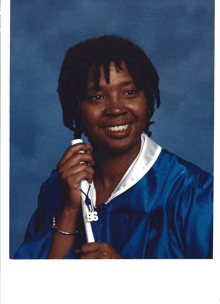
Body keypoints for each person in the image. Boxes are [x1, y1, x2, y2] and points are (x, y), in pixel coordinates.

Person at [14, 35, 213, 259]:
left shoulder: (191, 191)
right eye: (97, 97)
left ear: (147, 98)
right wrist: (69, 211)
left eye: (129, 92)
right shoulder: (58, 187)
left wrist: (126, 280)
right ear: (75, 108)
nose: (116, 109)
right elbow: (31, 289)